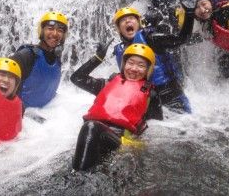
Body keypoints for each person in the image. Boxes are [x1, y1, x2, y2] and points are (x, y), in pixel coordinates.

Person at [70, 43, 163, 171]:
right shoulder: (106, 84)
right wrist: (97, 58)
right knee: (91, 127)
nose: (134, 68)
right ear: (124, 64)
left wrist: (139, 146)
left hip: (119, 140)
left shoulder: (150, 95)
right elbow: (77, 78)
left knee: (91, 126)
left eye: (141, 65)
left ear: (148, 70)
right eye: (130, 63)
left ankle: (77, 177)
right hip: (94, 135)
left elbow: (159, 127)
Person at [112, 4, 195, 113]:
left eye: (131, 18)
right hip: (142, 98)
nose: (128, 21)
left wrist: (189, 13)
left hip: (169, 95)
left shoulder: (152, 38)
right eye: (123, 20)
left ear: (139, 23)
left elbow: (182, 39)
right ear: (119, 29)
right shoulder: (119, 50)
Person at [9, 11, 68, 108]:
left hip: (48, 112)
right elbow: (1, 79)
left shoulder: (56, 58)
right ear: (42, 31)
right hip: (25, 116)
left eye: (60, 30)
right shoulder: (26, 55)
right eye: (50, 28)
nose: (55, 33)